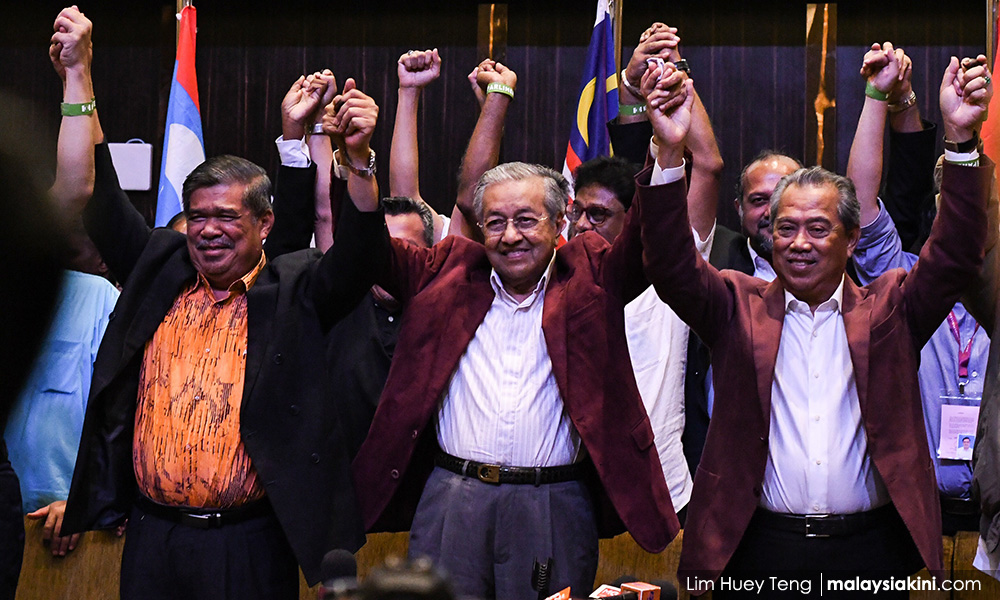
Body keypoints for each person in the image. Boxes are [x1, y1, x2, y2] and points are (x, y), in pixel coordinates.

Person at [52, 7, 382, 598]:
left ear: (263, 224)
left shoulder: (292, 289)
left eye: (226, 217)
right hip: (152, 537)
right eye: (198, 216)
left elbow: (358, 260)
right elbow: (98, 196)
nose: (208, 230)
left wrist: (355, 157)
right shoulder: (157, 271)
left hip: (250, 545)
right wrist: (80, 76)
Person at [634, 54, 992, 596]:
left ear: (851, 240)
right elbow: (668, 264)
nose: (799, 242)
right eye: (786, 228)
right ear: (768, 236)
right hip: (758, 550)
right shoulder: (734, 304)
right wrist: (666, 153)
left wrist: (962, 142)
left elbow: (959, 256)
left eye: (819, 228)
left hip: (871, 551)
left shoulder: (891, 308)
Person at [348, 64, 691, 600]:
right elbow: (366, 252)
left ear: (561, 224)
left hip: (550, 506)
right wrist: (356, 163)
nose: (510, 237)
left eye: (527, 220)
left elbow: (653, 245)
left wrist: (666, 155)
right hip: (452, 500)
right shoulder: (445, 271)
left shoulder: (593, 272)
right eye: (496, 222)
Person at [847, 42, 988, 537]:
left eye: (976, 197)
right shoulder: (904, 279)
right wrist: (875, 97)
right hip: (915, 516)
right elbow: (859, 210)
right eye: (951, 193)